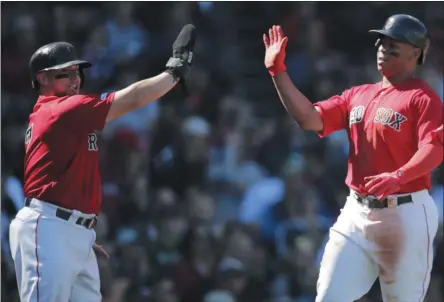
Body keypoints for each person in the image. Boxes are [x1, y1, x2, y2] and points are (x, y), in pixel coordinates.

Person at [8, 24, 197, 302]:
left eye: (77, 72)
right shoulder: (58, 110)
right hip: (49, 226)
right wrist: (174, 71)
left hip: (69, 230)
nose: (75, 79)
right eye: (66, 73)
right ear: (43, 79)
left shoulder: (68, 114)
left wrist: (77, 229)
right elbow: (132, 98)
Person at [263, 14, 443, 301]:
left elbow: (434, 149)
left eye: (394, 42)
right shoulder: (357, 94)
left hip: (406, 212)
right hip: (356, 212)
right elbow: (309, 119)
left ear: (416, 53)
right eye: (382, 41)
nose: (384, 47)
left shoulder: (423, 98)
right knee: (328, 297)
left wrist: (399, 176)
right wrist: (278, 71)